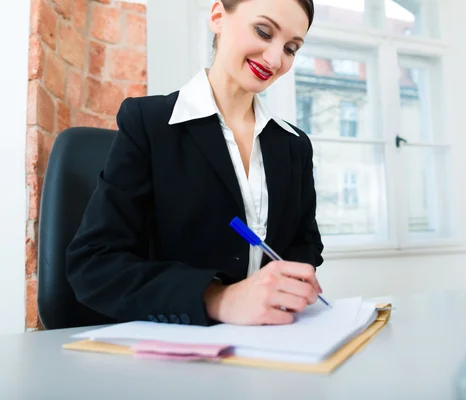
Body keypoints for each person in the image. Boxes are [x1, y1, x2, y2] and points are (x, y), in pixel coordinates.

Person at [66, 0, 323, 327]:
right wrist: (219, 299)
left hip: (275, 343)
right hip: (179, 349)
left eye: (290, 48)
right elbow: (93, 265)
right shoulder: (149, 123)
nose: (275, 59)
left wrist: (294, 282)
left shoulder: (294, 145)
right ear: (217, 16)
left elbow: (306, 245)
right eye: (263, 31)